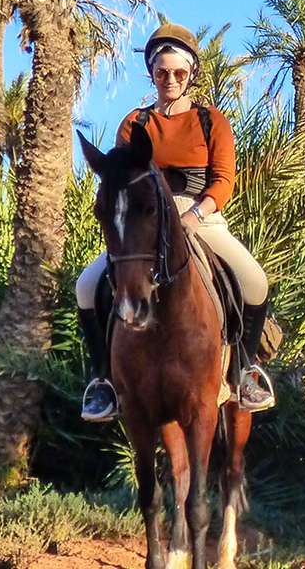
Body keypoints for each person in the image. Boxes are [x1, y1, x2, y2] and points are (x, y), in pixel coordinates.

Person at [74, 23, 273, 422]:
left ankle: (245, 372)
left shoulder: (210, 120)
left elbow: (224, 179)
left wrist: (195, 215)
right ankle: (104, 382)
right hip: (144, 222)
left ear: (190, 75)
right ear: (152, 73)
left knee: (255, 281)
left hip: (200, 216)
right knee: (85, 287)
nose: (170, 80)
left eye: (179, 73)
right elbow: (119, 178)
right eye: (162, 72)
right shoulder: (135, 121)